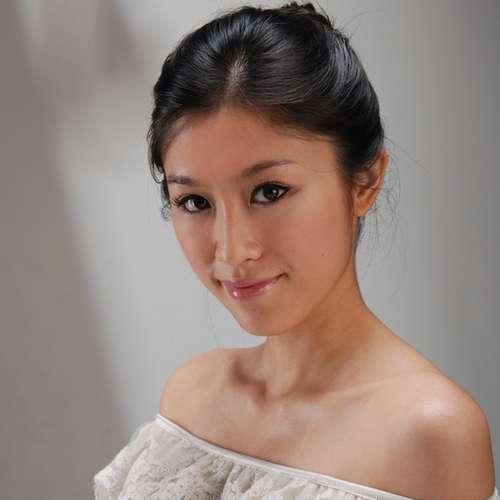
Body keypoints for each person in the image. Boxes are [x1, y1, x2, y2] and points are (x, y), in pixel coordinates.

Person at [94, 2, 498, 499]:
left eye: (269, 192)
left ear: (365, 181)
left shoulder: (430, 431)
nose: (232, 251)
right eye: (194, 202)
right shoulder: (190, 397)